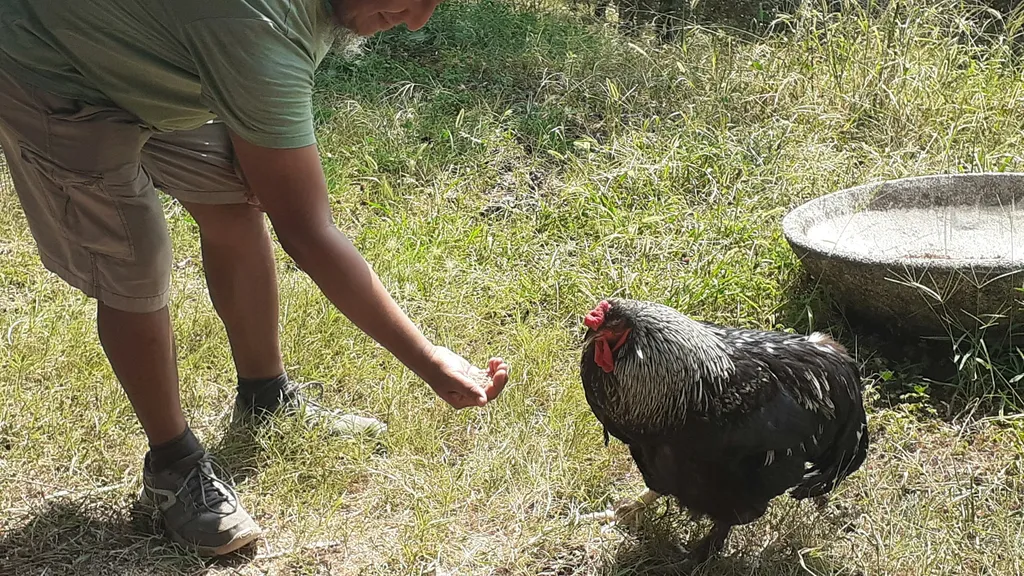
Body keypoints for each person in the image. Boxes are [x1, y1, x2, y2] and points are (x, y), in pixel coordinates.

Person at [0, 0, 510, 558]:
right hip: (51, 65)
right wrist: (427, 358)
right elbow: (308, 232)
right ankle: (173, 465)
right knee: (134, 257)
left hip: (144, 51)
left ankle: (265, 395)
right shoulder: (261, 31)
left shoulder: (279, 27)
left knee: (234, 195)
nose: (417, 21)